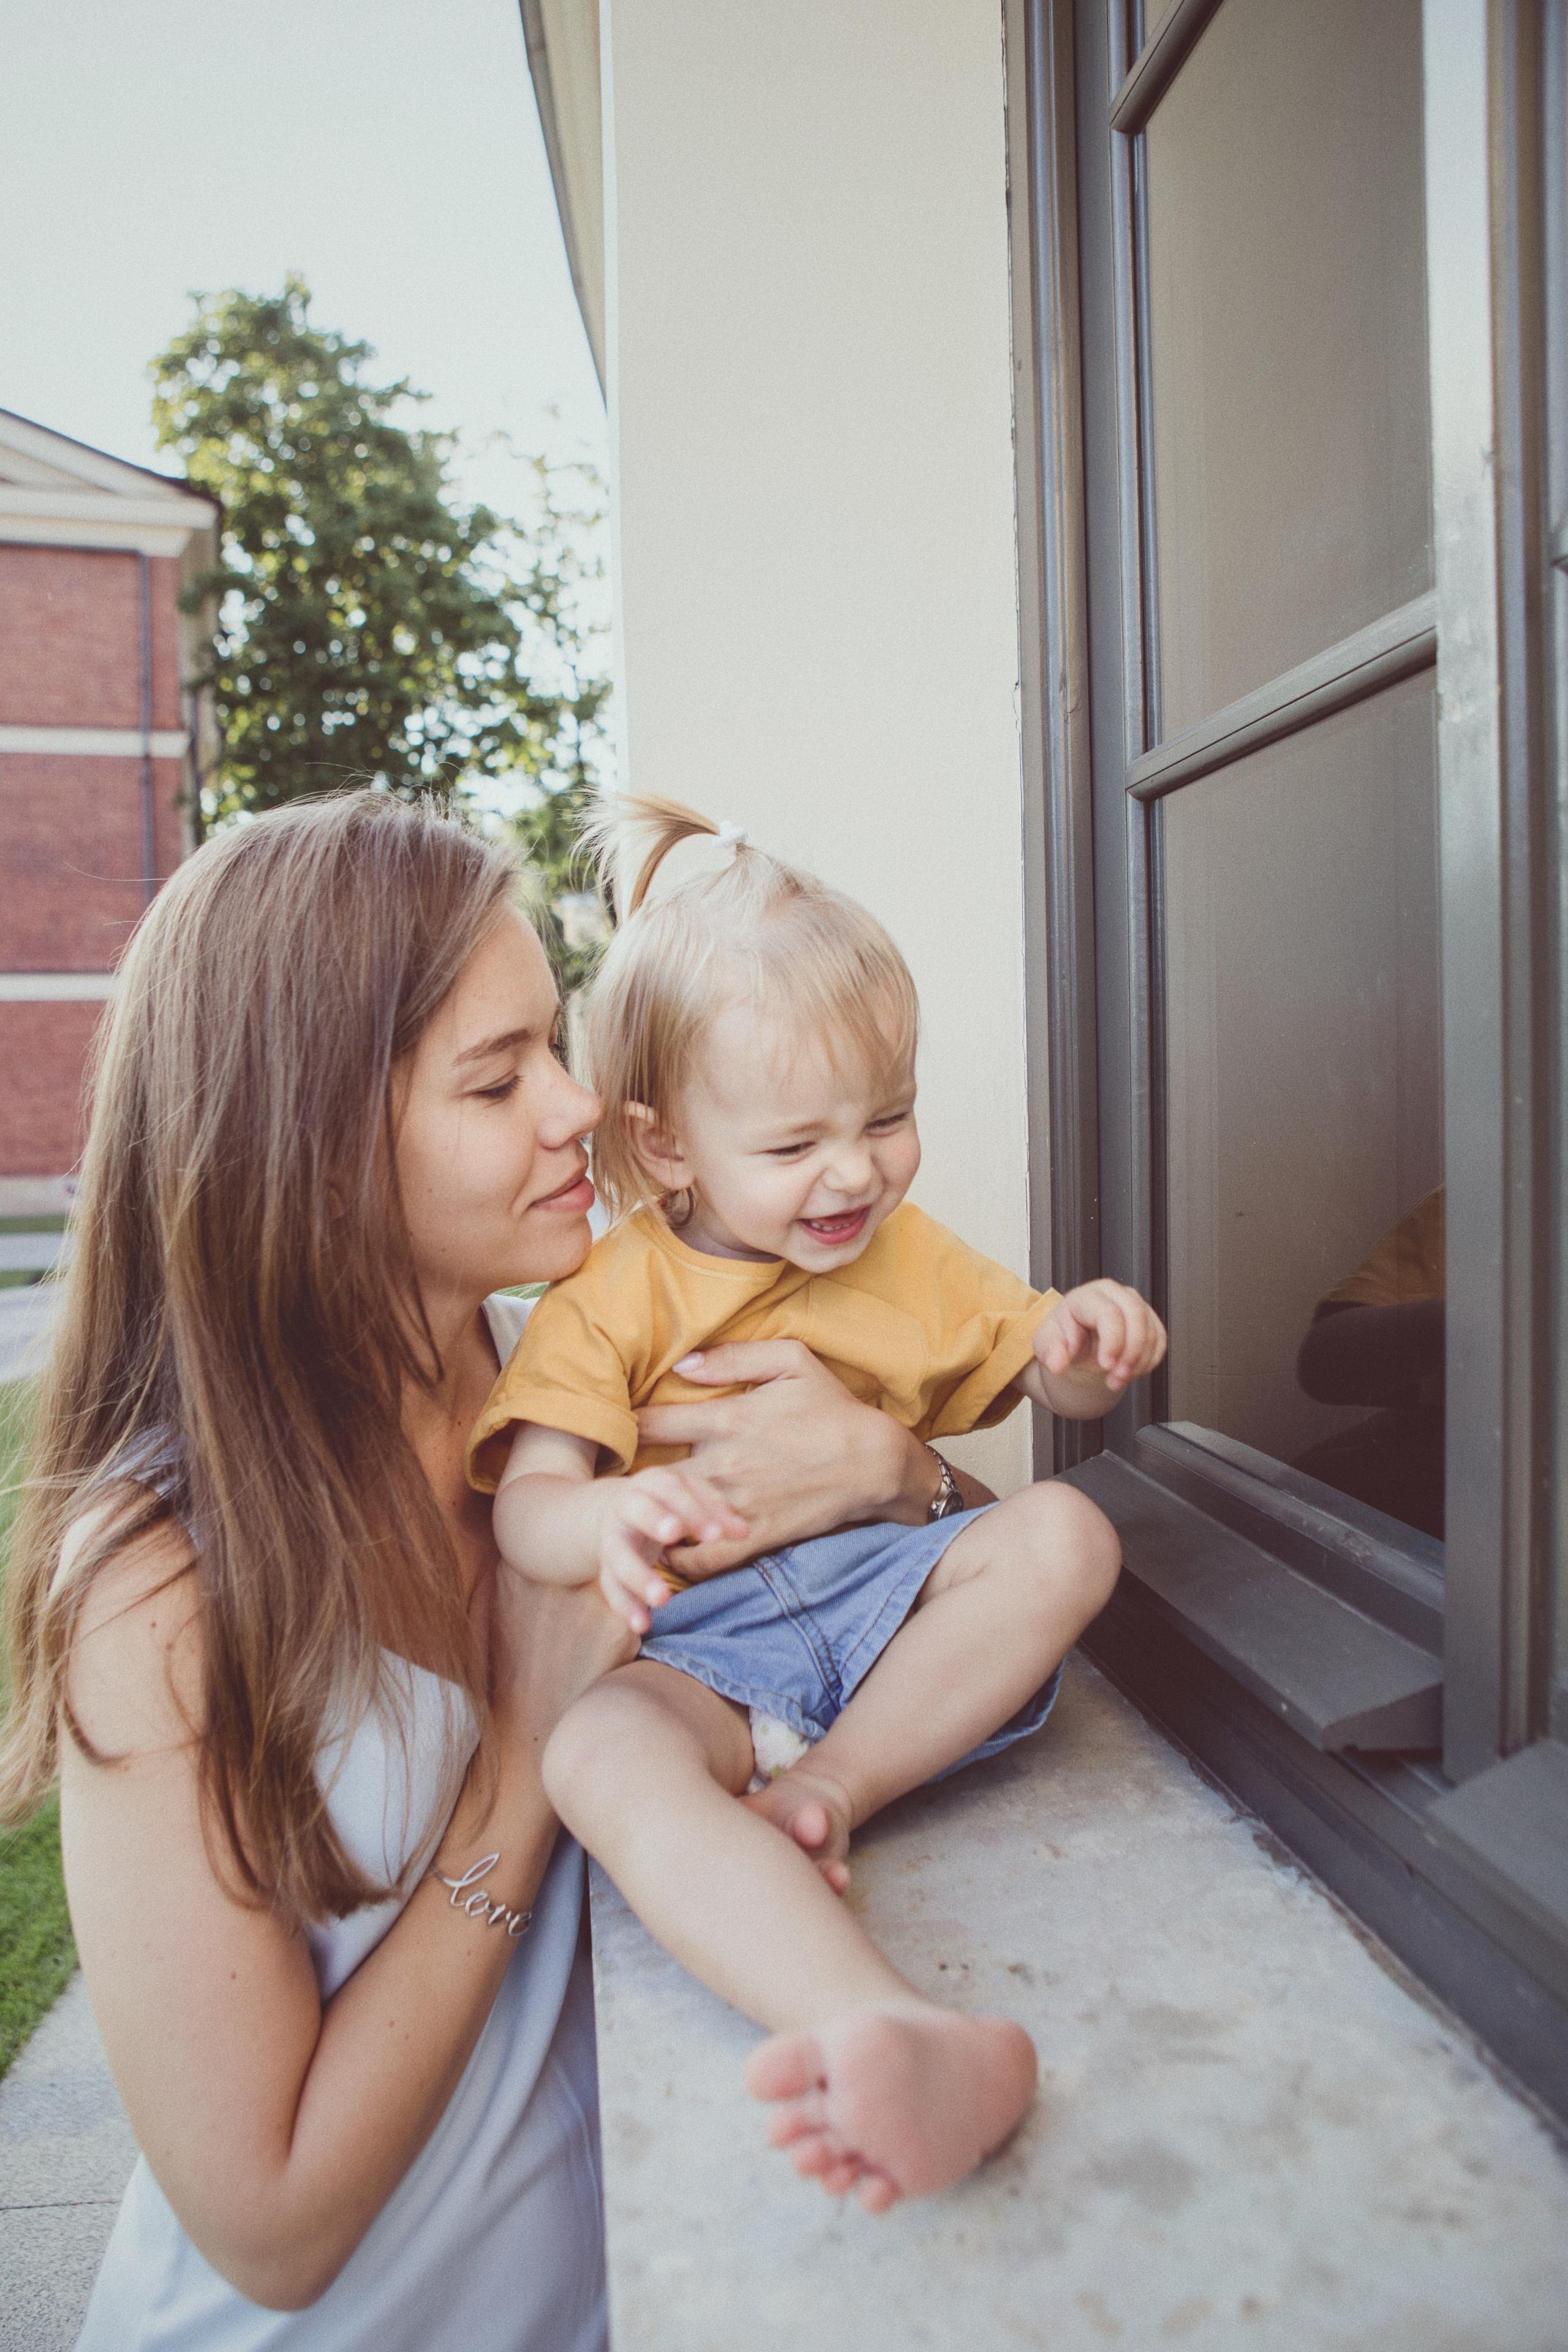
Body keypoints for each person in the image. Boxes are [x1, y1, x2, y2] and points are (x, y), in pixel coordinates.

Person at [0, 793, 968, 2349]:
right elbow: (270, 2227)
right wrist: (524, 1757)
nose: (581, 1107)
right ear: (313, 1152)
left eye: (556, 1048)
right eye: (498, 1076)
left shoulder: (585, 1398)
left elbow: (938, 1586)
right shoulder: (158, 1578)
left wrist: (897, 1470)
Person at [468, 795, 1166, 2217]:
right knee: (595, 1754)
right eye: (794, 1146)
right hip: (706, 1651)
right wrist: (600, 1523)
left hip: (893, 1604)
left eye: (886, 1120)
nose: (854, 1172)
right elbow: (527, 1500)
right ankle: (884, 2026)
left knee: (1067, 1532)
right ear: (668, 1147)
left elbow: (1030, 1366)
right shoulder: (609, 1295)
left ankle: (827, 1792)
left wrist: (1083, 1346)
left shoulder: (909, 1256)